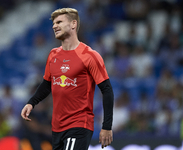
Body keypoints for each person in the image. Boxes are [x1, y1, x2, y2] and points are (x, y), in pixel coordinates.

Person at [21, 8, 114, 150]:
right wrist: (31, 103)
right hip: (57, 127)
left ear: (73, 24)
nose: (54, 26)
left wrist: (106, 126)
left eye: (59, 22)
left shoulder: (90, 56)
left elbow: (107, 90)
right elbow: (47, 84)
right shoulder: (53, 54)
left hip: (79, 125)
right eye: (53, 23)